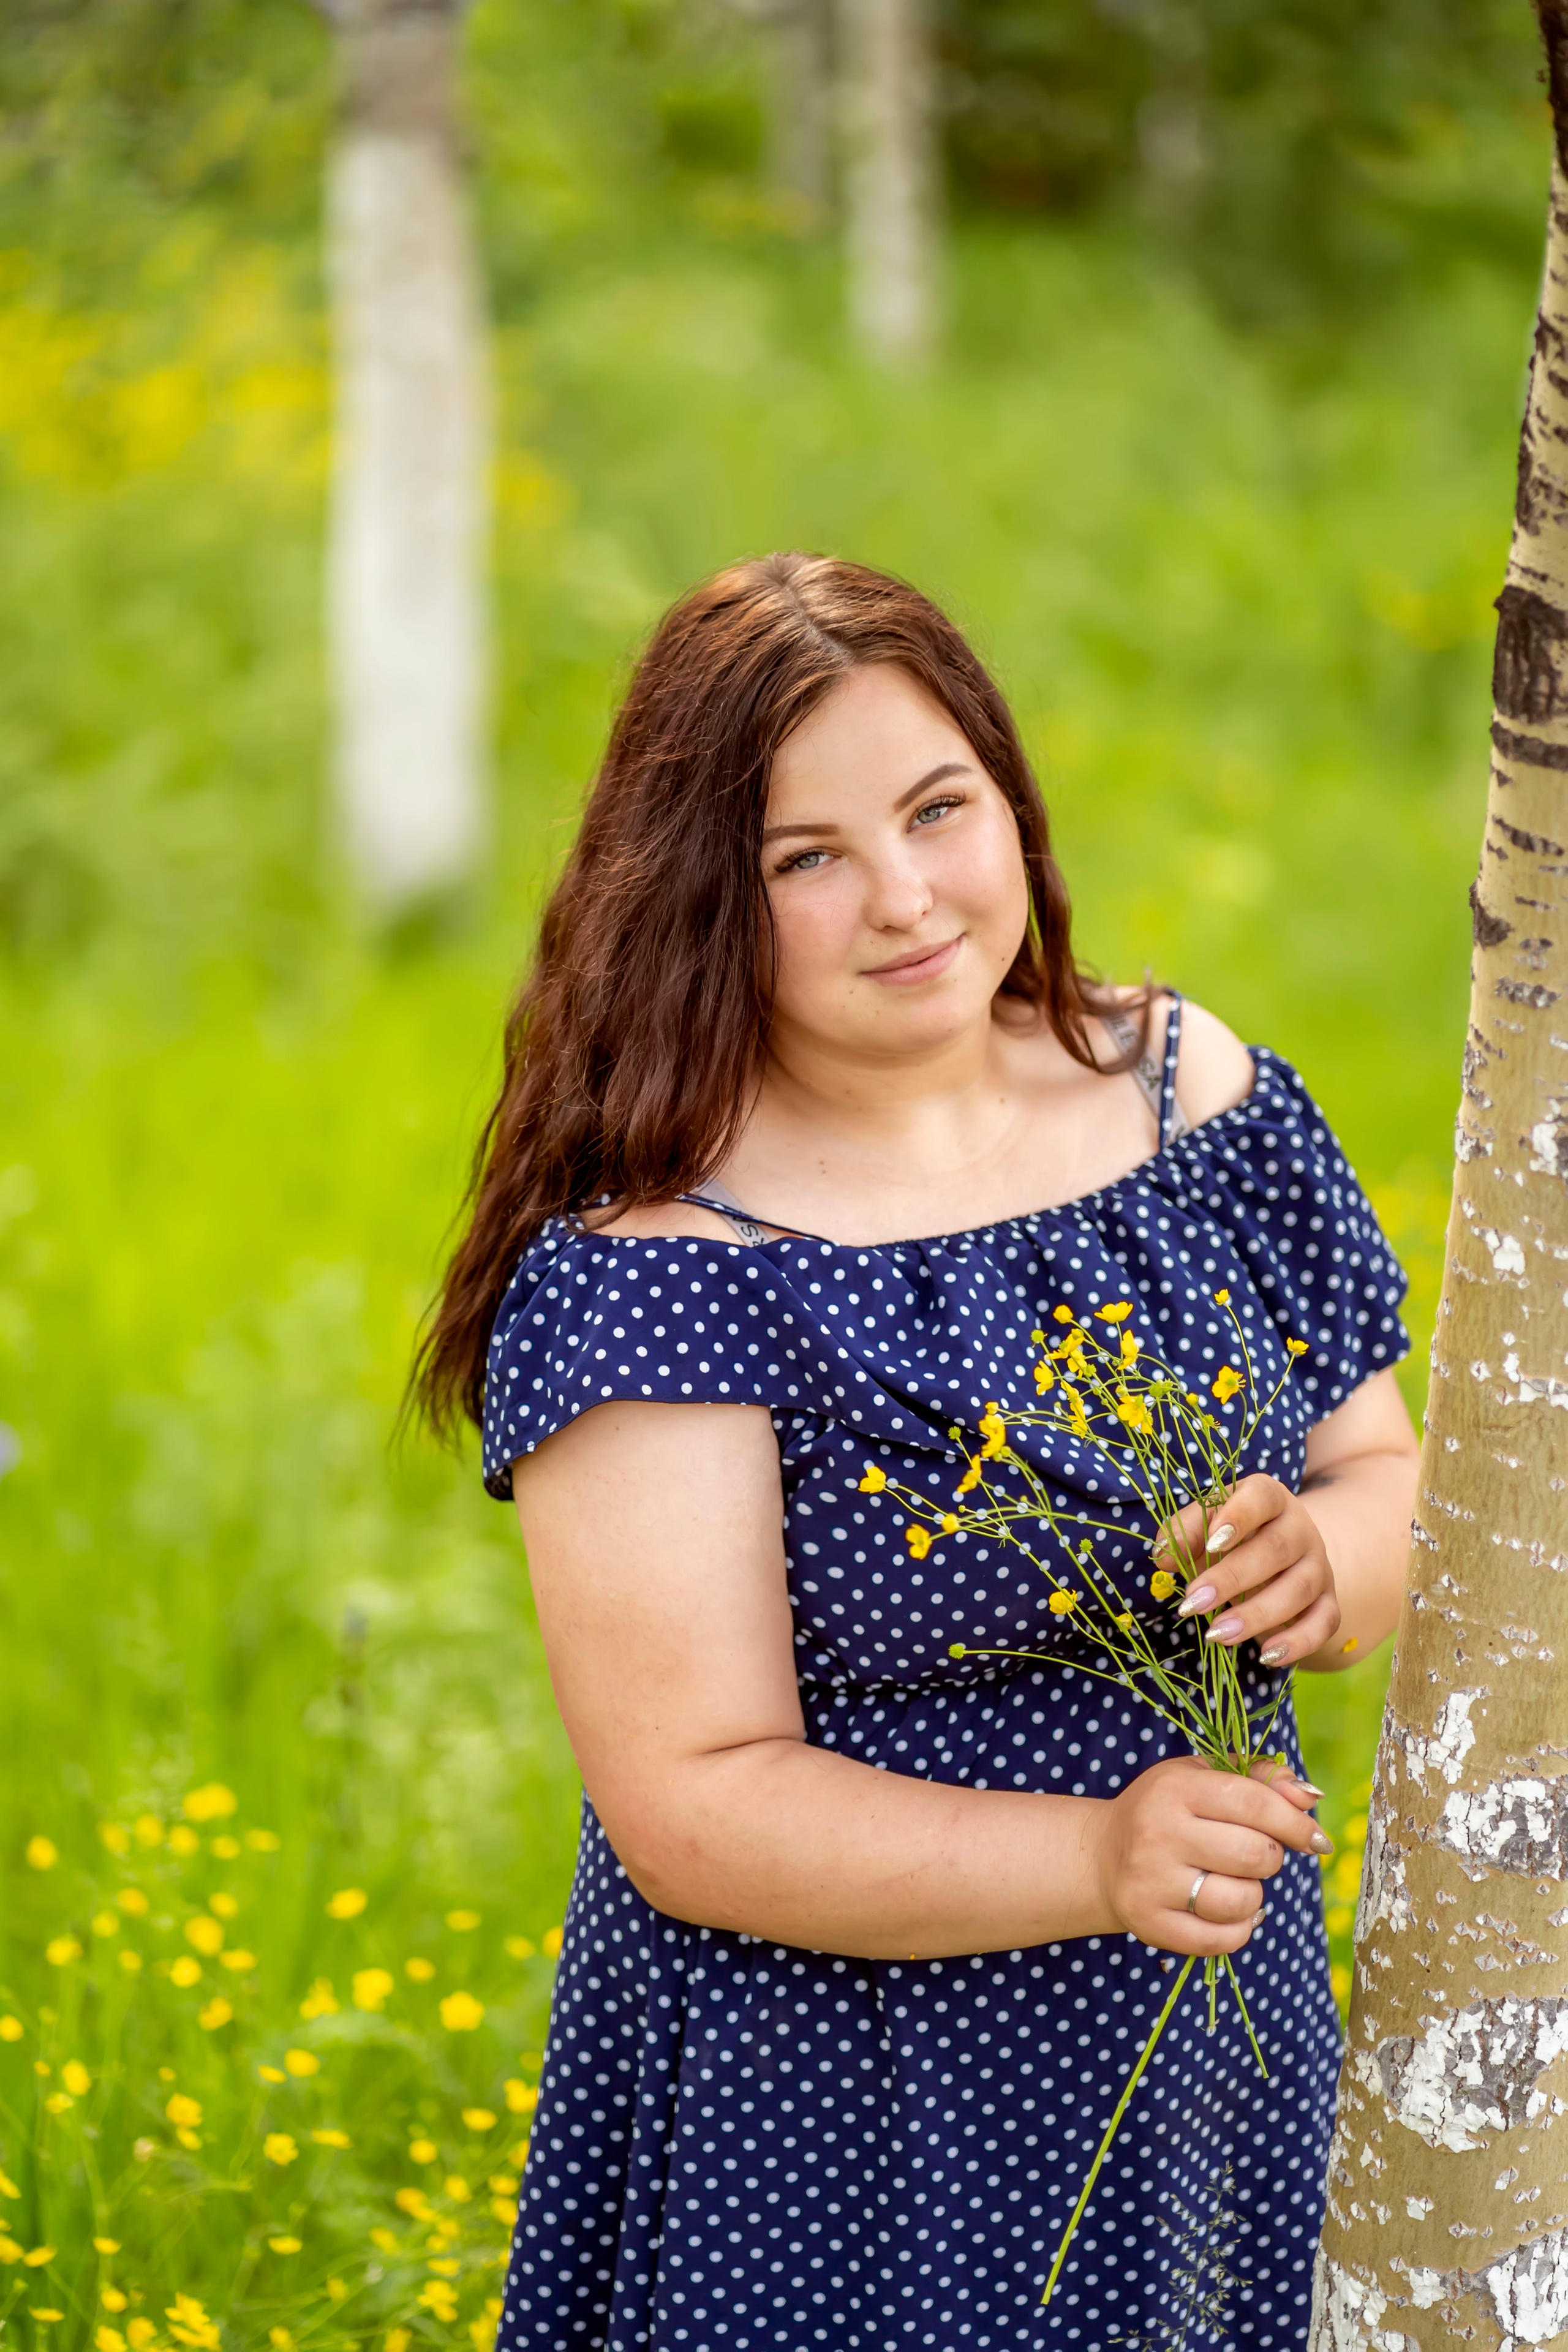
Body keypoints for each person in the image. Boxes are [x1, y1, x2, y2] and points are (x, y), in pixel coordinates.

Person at [419, 553, 1420, 2351]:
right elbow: (693, 1804)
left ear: (1009, 800)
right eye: (806, 859)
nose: (906, 898)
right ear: (700, 904)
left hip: (1205, 2046)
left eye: (938, 808)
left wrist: (1328, 1562)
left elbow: (1395, 1477)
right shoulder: (662, 1265)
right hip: (837, 2102)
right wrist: (1096, 1861)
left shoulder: (1190, 1097)